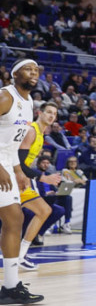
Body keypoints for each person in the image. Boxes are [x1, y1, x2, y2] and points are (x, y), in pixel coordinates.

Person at [0, 59, 45, 302]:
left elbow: (12, 144)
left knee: (14, 219)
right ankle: (10, 285)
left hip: (7, 164)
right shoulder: (5, 97)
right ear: (14, 75)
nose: (33, 73)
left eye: (36, 70)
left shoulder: (28, 103)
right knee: (13, 219)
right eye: (28, 69)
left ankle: (10, 286)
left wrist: (18, 171)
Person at [18, 102, 64, 270]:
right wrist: (44, 178)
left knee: (44, 211)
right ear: (40, 113)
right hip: (11, 178)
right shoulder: (31, 131)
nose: (52, 116)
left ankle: (21, 255)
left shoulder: (41, 134)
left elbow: (25, 166)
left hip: (21, 179)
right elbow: (19, 163)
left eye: (55, 114)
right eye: (49, 112)